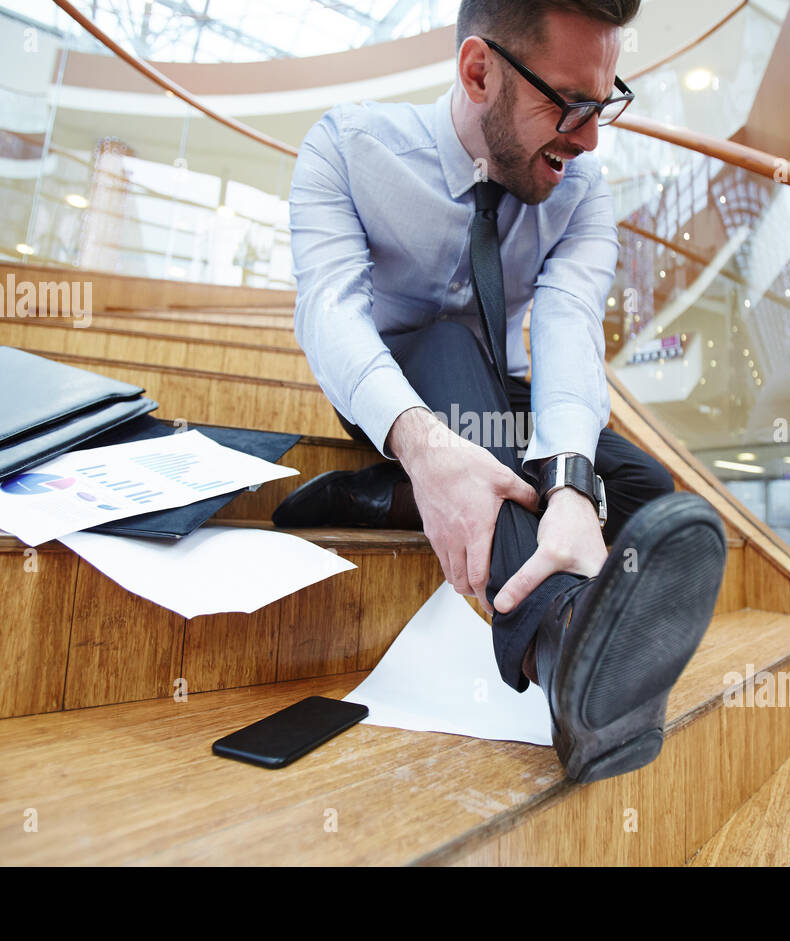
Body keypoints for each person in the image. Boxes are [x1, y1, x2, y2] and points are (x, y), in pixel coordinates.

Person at [275, 0, 727, 783]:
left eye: (605, 99)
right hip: (390, 399)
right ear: (479, 72)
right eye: (570, 104)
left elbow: (567, 329)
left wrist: (571, 488)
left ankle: (385, 500)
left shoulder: (583, 192)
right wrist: (421, 445)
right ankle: (558, 643)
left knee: (645, 487)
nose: (589, 138)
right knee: (448, 340)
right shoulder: (348, 146)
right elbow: (328, 314)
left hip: (495, 391)